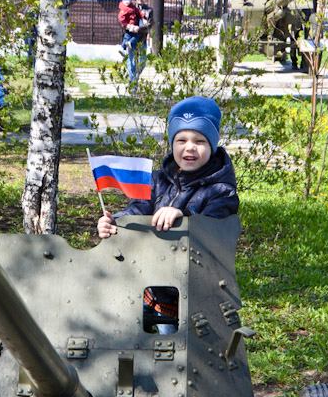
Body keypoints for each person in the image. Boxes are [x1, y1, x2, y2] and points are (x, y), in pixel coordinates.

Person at [97, 96, 239, 333]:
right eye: (181, 140)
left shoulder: (222, 191)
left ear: (212, 145)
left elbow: (214, 228)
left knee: (172, 349)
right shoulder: (157, 180)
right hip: (148, 285)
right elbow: (138, 208)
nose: (189, 147)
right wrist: (115, 223)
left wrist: (182, 215)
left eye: (200, 141)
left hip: (191, 295)